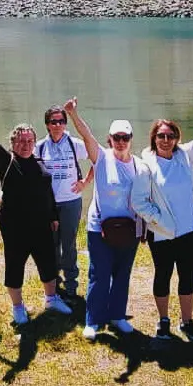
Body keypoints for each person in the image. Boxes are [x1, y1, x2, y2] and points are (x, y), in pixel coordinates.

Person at [0, 100, 73, 325]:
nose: (26, 145)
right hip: (14, 225)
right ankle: (18, 307)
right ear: (13, 143)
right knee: (15, 264)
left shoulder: (39, 162)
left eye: (29, 140)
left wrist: (53, 216)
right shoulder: (6, 161)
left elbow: (48, 192)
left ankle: (51, 298)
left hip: (41, 224)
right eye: (21, 141)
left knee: (48, 262)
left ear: (35, 142)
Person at [130, 99, 193, 344]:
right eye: (161, 136)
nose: (166, 140)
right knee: (163, 275)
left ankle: (187, 321)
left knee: (188, 275)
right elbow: (138, 201)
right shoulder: (146, 165)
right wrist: (156, 220)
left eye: (170, 136)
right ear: (154, 138)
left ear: (177, 138)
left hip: (188, 230)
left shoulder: (184, 157)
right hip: (161, 233)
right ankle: (163, 320)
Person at [64, 98, 140, 339]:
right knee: (99, 273)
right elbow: (85, 135)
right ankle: (93, 320)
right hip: (100, 229)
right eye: (116, 138)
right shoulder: (102, 157)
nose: (120, 142)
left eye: (124, 138)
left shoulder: (139, 165)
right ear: (109, 139)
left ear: (130, 139)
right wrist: (72, 113)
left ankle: (117, 316)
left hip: (129, 231)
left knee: (122, 274)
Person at [37, 103, 92, 298]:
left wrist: (85, 182)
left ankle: (71, 285)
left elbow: (97, 159)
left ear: (65, 124)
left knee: (68, 245)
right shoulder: (40, 147)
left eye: (61, 121)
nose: (58, 125)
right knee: (50, 245)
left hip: (71, 202)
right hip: (48, 206)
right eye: (54, 122)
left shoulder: (74, 144)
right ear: (47, 125)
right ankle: (54, 284)